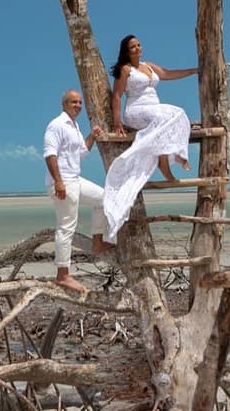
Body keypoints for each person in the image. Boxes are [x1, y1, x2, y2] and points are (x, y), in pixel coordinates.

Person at [104, 35, 198, 239]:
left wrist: (193, 71)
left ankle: (170, 156)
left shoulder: (150, 66)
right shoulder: (125, 69)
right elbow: (117, 95)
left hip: (155, 109)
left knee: (179, 113)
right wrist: (117, 122)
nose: (137, 48)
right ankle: (166, 161)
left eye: (138, 45)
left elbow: (169, 74)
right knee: (166, 117)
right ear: (127, 51)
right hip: (136, 110)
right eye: (132, 47)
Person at [43, 89, 114, 294]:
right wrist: (58, 182)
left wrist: (92, 136)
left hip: (75, 180)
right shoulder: (56, 125)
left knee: (104, 198)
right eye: (74, 102)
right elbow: (49, 155)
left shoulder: (74, 126)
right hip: (63, 182)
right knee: (66, 227)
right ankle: (63, 275)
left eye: (80, 102)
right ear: (64, 104)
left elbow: (81, 152)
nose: (78, 106)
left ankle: (98, 243)